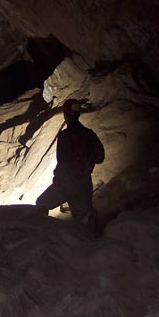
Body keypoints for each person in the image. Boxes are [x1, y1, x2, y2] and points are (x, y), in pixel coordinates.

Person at [36, 98, 105, 230]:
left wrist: (58, 180)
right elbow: (100, 158)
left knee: (41, 204)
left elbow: (62, 162)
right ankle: (93, 240)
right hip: (84, 183)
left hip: (67, 182)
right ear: (78, 114)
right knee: (83, 217)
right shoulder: (90, 134)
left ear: (65, 115)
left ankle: (44, 236)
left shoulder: (64, 136)